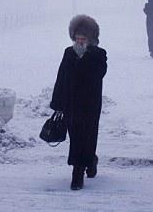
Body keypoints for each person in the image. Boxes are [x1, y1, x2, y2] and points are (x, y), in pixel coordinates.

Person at [50, 14, 107, 191]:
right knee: (76, 137)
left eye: (83, 38)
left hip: (90, 104)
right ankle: (83, 167)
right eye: (77, 38)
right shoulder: (68, 52)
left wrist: (85, 58)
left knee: (88, 136)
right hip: (71, 104)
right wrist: (57, 102)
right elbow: (61, 77)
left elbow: (99, 74)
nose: (80, 41)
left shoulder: (99, 54)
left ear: (91, 38)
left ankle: (84, 167)